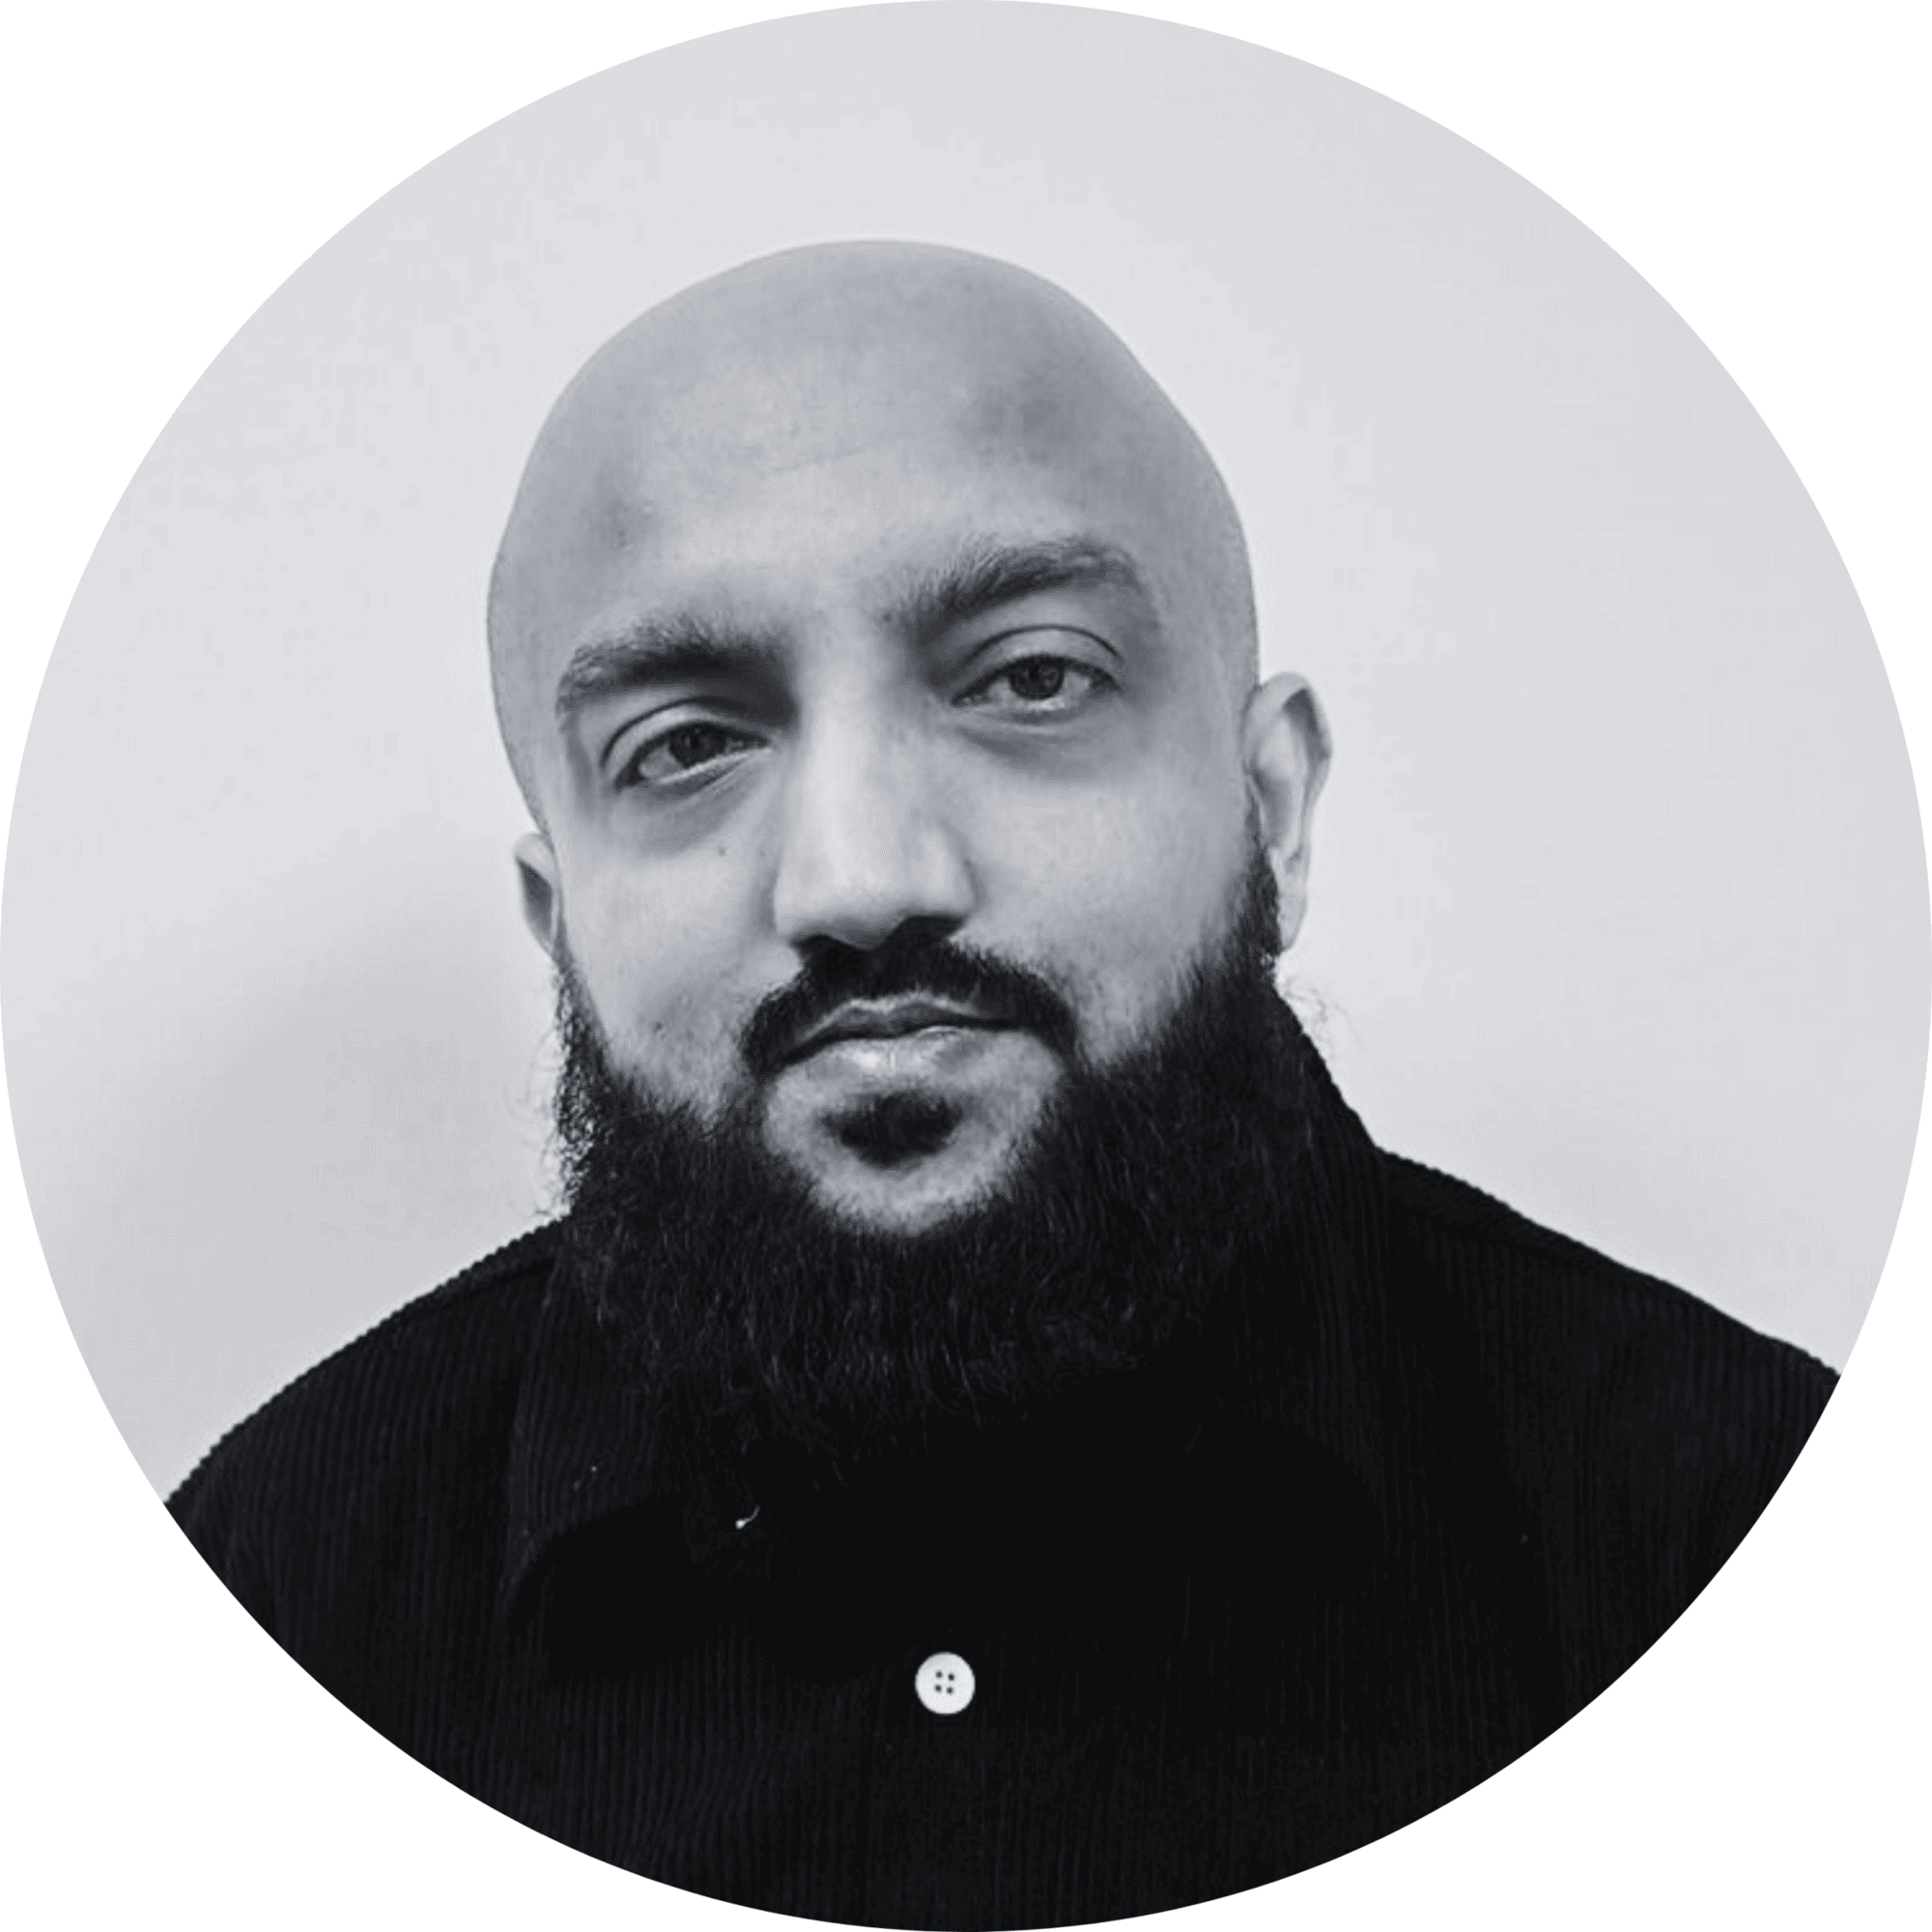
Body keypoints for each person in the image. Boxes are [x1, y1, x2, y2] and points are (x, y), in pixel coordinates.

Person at [169, 242, 1833, 1929]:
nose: (861, 878)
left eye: (1030, 678)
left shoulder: (1754, 1553)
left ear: (1271, 810)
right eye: (684, 746)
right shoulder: (261, 1616)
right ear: (562, 925)